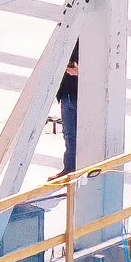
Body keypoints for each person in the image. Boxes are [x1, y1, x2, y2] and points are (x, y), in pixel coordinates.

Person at [60, 45, 80, 175]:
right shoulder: (68, 41)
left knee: (82, 134)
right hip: (66, 93)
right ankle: (69, 168)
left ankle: (77, 168)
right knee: (68, 135)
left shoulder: (93, 39)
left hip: (82, 95)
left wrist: (81, 72)